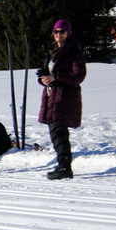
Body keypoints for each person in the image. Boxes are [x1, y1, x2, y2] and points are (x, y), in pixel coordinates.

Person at [37, 19, 86, 180]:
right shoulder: (52, 51)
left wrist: (55, 77)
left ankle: (65, 167)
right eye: (56, 31)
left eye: (62, 31)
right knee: (55, 132)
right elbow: (48, 74)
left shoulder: (74, 52)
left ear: (68, 33)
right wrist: (43, 78)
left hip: (65, 97)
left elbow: (79, 76)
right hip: (52, 96)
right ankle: (62, 165)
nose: (58, 34)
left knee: (59, 132)